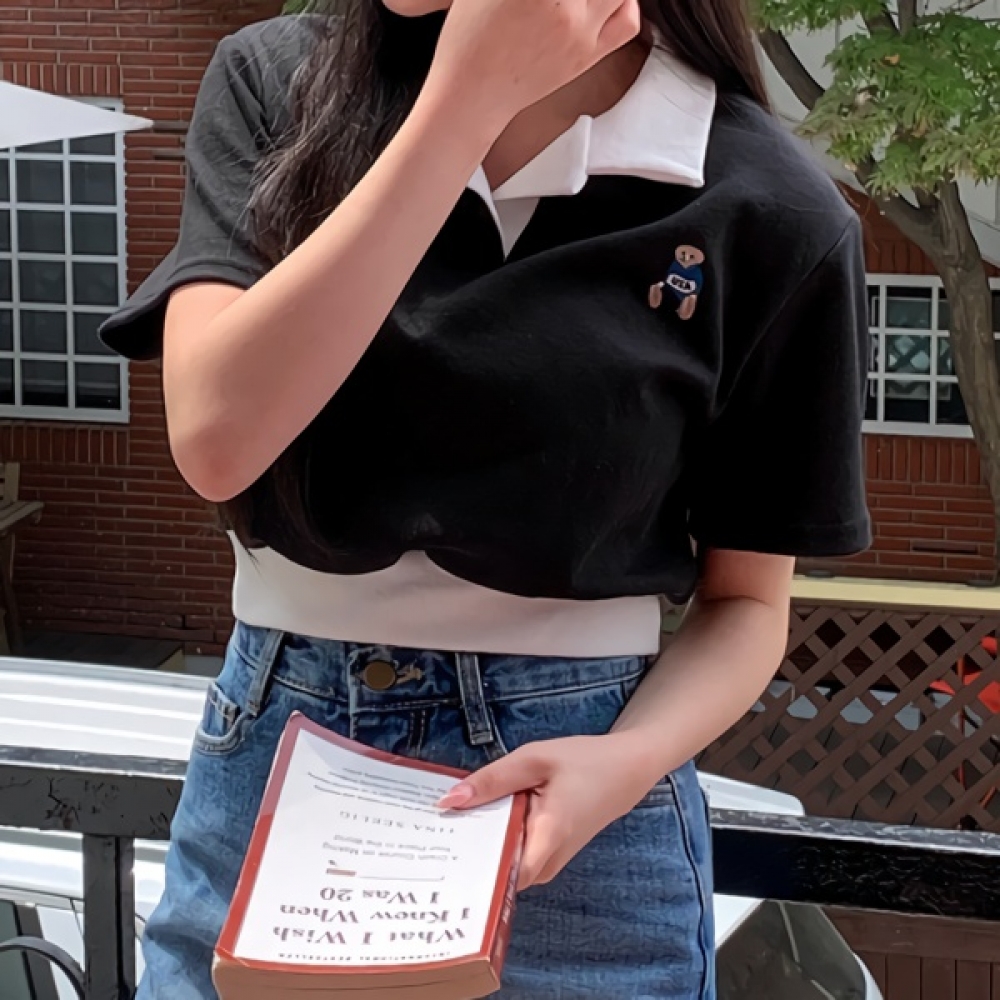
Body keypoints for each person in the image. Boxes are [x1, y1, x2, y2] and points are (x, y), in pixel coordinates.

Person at [100, 0, 871, 996]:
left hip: (578, 817)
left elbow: (749, 603)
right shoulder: (280, 85)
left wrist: (627, 761)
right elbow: (217, 438)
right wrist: (464, 100)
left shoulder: (766, 202)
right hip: (277, 775)